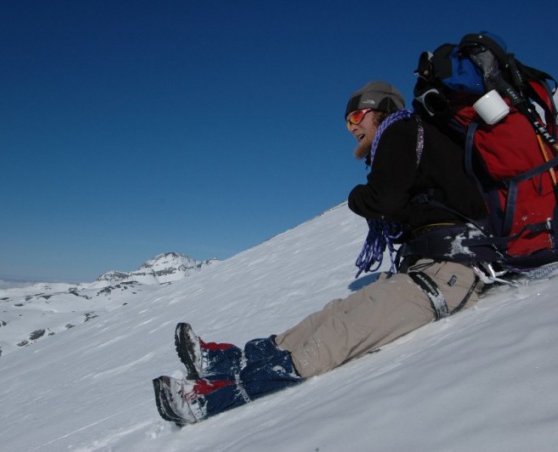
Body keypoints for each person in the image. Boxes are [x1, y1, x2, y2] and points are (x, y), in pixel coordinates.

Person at [153, 81, 490, 426]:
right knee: (332, 314)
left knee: (338, 335)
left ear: (383, 110)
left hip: (453, 272)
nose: (352, 127)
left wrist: (359, 196)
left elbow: (381, 200)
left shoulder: (401, 130)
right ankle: (225, 361)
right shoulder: (412, 140)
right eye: (348, 122)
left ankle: (213, 398)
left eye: (358, 115)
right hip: (429, 267)